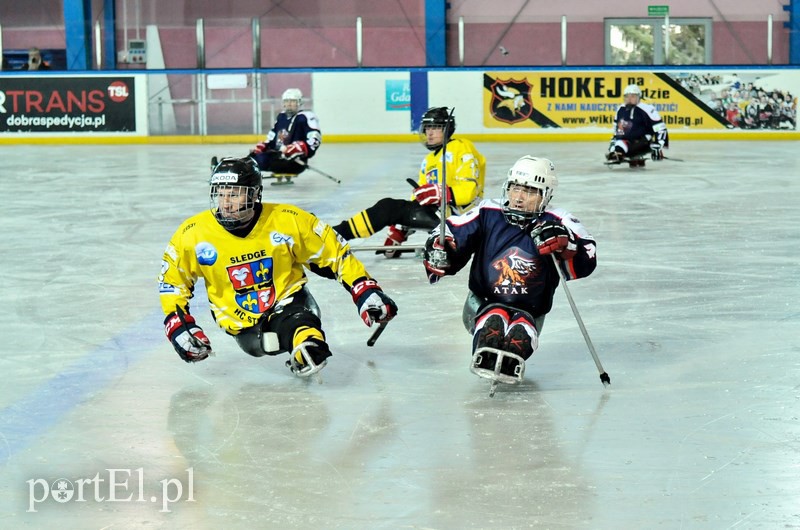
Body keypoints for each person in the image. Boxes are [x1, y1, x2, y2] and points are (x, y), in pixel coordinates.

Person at [158, 157, 397, 377]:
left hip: (288, 300)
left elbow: (335, 255)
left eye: (234, 194)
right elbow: (172, 283)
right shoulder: (192, 234)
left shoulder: (289, 220)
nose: (226, 203)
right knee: (264, 344)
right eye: (220, 194)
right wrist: (179, 326)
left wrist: (364, 290)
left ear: (254, 194)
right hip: (239, 322)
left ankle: (306, 342)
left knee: (305, 332)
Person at [422, 156, 597, 387]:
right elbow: (453, 231)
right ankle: (488, 328)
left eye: (530, 191)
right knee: (493, 317)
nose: (519, 198)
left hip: (531, 311)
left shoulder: (559, 221)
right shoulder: (488, 211)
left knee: (521, 328)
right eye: (516, 188)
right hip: (480, 304)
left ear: (546, 195)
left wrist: (567, 244)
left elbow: (588, 253)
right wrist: (440, 246)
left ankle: (521, 336)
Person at [329, 106, 486, 258]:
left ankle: (336, 234)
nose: (429, 133)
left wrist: (440, 193)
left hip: (463, 220)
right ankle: (338, 234)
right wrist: (400, 230)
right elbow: (420, 202)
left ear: (447, 128)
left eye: (435, 127)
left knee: (388, 207)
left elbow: (469, 192)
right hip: (440, 217)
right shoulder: (429, 160)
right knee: (390, 209)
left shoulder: (462, 148)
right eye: (427, 128)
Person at [212, 89, 321, 176]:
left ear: (299, 103)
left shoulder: (306, 117)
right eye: (287, 101)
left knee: (257, 162)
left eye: (293, 101)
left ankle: (226, 170)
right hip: (278, 156)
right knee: (252, 158)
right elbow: (273, 137)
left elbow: (315, 139)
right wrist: (265, 145)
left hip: (295, 161)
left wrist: (300, 147)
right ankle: (223, 165)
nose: (289, 104)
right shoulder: (281, 117)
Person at [605, 84, 668, 168]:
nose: (629, 99)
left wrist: (657, 146)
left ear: (639, 97)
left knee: (631, 147)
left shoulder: (649, 109)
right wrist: (614, 144)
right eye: (627, 96)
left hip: (643, 141)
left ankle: (627, 154)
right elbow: (617, 130)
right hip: (626, 141)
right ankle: (618, 153)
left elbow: (661, 129)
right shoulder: (620, 109)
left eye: (633, 96)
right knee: (620, 143)